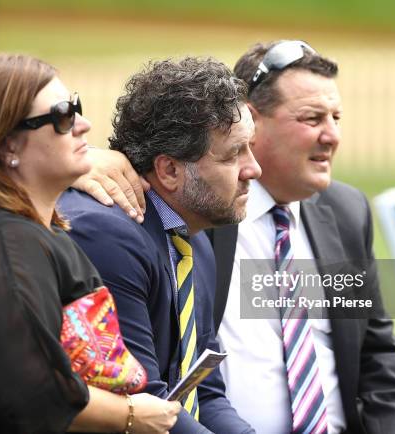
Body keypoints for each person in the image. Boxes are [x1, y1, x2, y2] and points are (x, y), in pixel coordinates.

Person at [76, 42, 395, 434]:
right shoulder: (203, 219)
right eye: (312, 118)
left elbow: (377, 356)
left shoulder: (344, 212)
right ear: (254, 120)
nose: (332, 135)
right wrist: (89, 159)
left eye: (337, 117)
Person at [0, 53, 180, 434]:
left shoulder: (12, 233)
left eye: (75, 106)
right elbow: (28, 391)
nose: (84, 124)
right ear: (7, 147)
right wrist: (130, 415)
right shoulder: (6, 248)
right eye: (63, 116)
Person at [58, 57, 260, 434]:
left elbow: (206, 394)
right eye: (234, 154)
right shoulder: (107, 236)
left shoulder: (194, 243)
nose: (253, 170)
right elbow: (139, 399)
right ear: (169, 170)